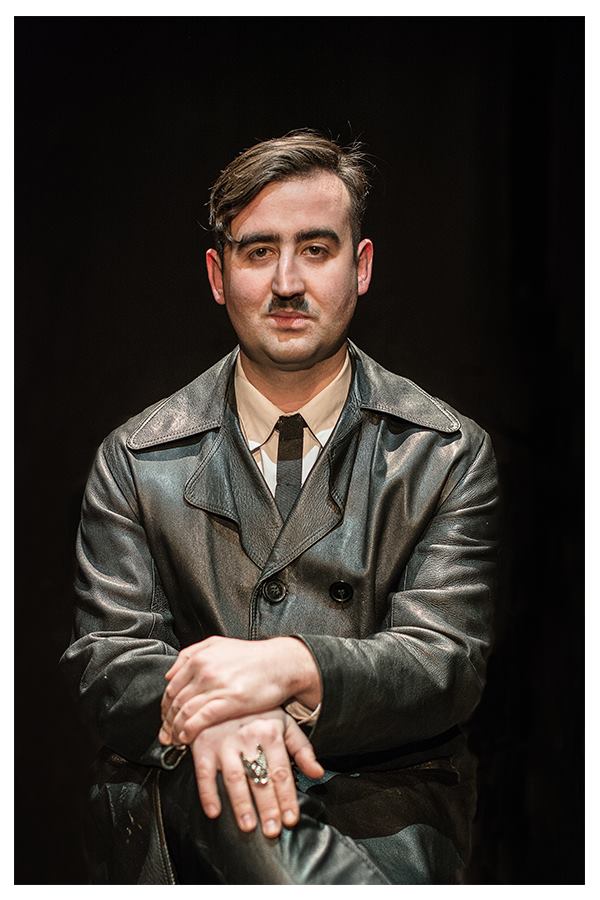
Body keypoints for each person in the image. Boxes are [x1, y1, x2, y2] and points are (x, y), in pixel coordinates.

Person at [61, 130, 499, 885]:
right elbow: (109, 663)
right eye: (259, 251)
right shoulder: (135, 458)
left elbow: (445, 662)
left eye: (316, 249)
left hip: (382, 813)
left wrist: (290, 666)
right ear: (218, 275)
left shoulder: (446, 453)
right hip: (190, 807)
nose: (287, 282)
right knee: (239, 778)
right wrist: (226, 720)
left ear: (361, 267)